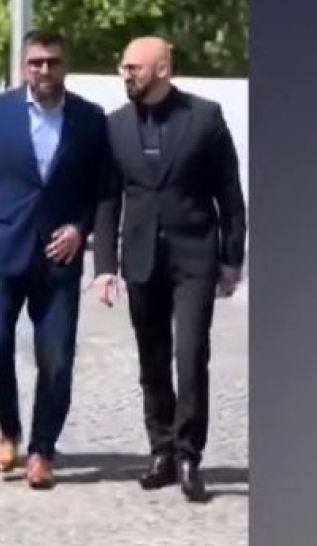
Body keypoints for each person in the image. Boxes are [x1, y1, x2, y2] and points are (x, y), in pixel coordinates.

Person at [0, 30, 109, 489]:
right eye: (36, 62)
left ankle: (42, 450)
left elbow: (103, 190)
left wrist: (80, 229)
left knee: (56, 360)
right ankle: (9, 427)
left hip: (58, 258)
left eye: (52, 62)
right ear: (23, 67)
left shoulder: (90, 119)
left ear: (65, 65)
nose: (44, 70)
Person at [92, 36, 247, 502]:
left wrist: (231, 259)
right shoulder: (115, 126)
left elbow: (230, 195)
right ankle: (161, 449)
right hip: (141, 258)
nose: (126, 75)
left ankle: (188, 455)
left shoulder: (204, 117)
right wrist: (104, 266)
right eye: (123, 67)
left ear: (161, 69)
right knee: (152, 359)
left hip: (194, 257)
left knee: (191, 353)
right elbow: (107, 200)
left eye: (134, 68)